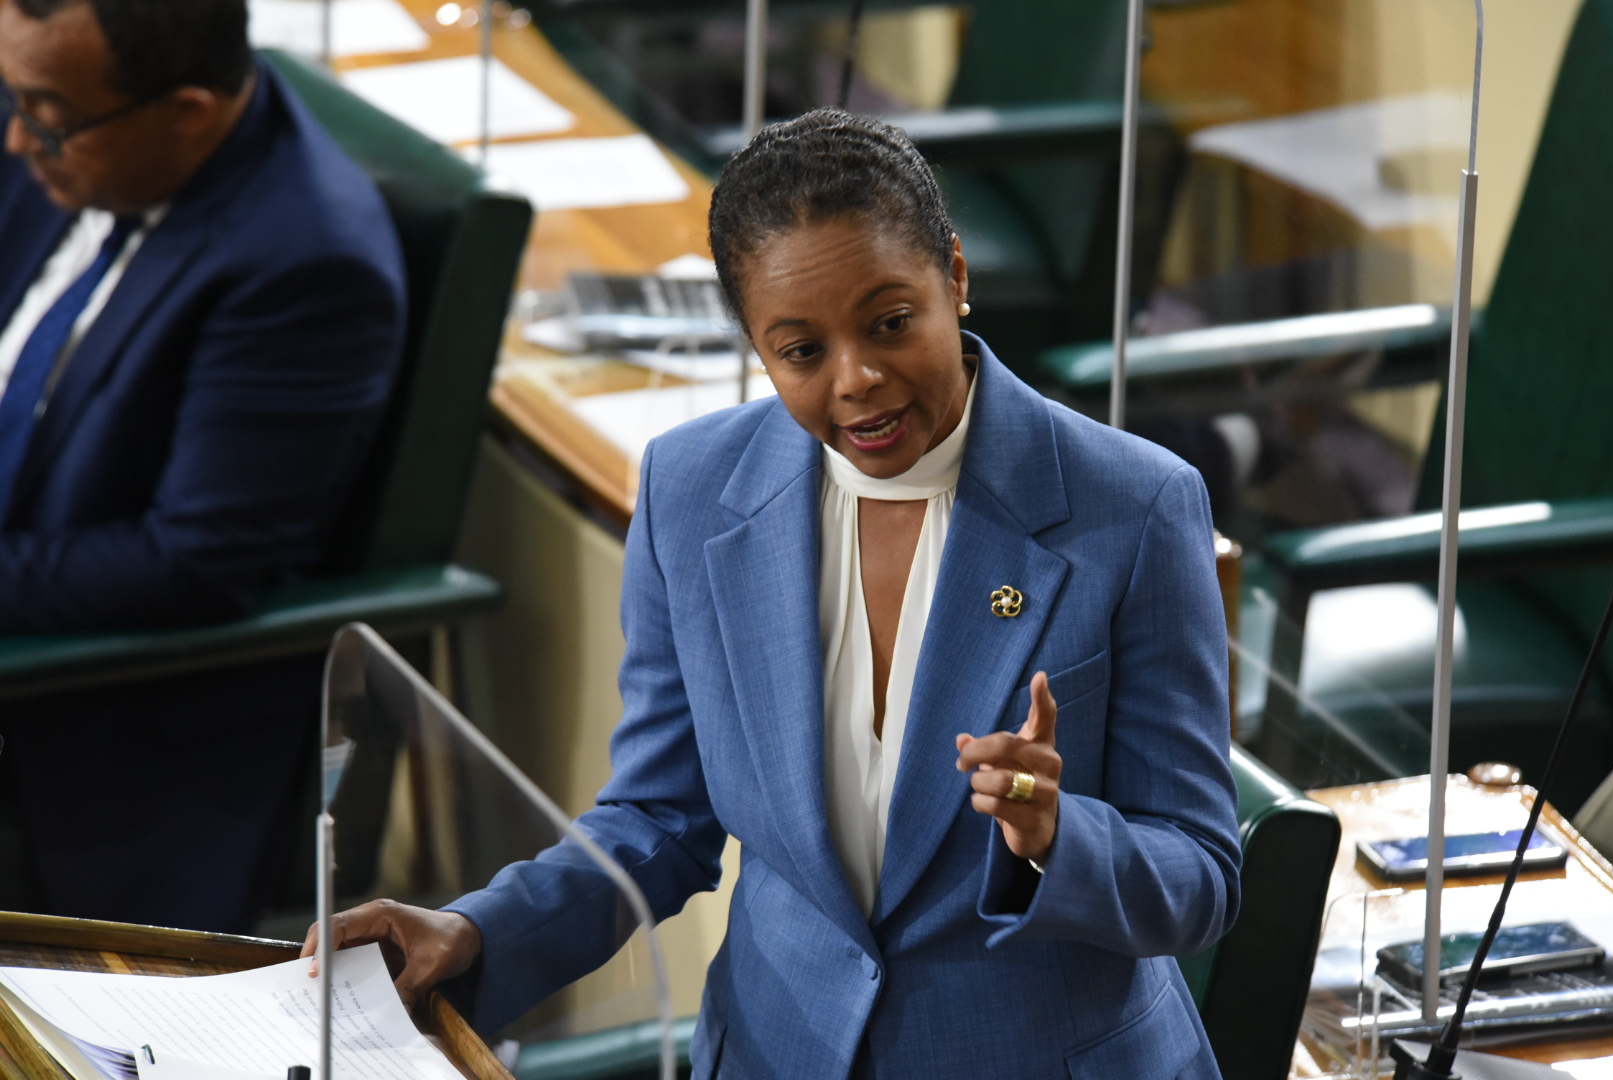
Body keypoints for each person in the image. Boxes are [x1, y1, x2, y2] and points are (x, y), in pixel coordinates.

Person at [310, 110, 1240, 1078]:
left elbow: (1202, 878)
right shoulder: (693, 492)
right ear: (758, 346)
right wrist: (475, 927)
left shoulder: (1133, 506)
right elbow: (661, 816)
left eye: (891, 323)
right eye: (802, 351)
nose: (859, 381)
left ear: (955, 278)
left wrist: (1055, 835)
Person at [0, 0, 405, 931]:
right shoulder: (82, 138)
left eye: (47, 116)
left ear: (186, 110)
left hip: (88, 719)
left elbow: (191, 562)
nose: (19, 138)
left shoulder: (305, 268)